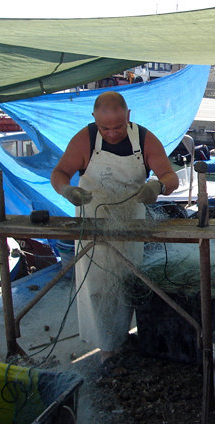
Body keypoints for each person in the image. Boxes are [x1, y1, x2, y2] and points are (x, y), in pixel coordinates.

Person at [51, 91, 179, 366]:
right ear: (94, 119)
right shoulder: (85, 139)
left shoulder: (144, 139)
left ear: (128, 116)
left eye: (118, 126)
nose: (111, 133)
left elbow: (170, 176)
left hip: (130, 224)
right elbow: (59, 173)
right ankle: (107, 349)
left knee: (128, 283)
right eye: (104, 127)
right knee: (97, 288)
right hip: (93, 226)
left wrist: (157, 186)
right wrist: (67, 190)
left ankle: (124, 337)